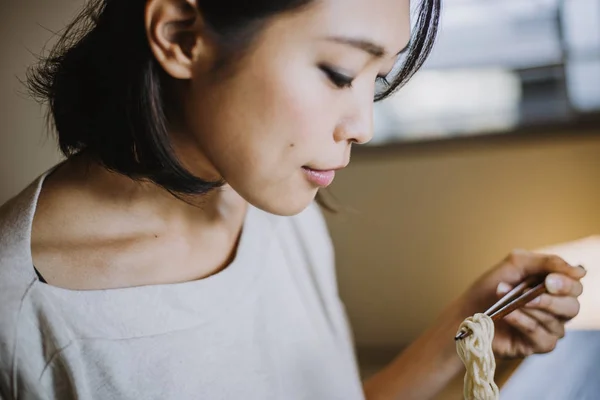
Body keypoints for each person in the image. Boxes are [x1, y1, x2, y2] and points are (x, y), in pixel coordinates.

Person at [0, 0, 586, 399]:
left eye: (375, 80)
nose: (363, 125)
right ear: (182, 35)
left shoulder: (269, 195)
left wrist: (466, 331)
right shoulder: (26, 315)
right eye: (338, 72)